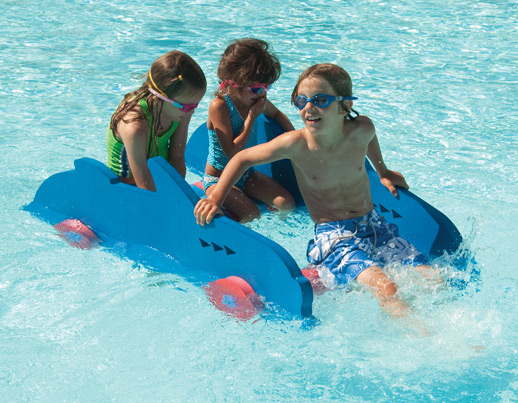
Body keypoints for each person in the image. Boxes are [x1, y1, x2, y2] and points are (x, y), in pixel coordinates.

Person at [194, 63, 431, 318]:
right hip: (334, 236)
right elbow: (242, 159)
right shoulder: (297, 143)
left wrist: (383, 172)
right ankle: (423, 340)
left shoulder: (361, 128)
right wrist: (217, 196)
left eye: (320, 100)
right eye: (301, 101)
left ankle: (328, 277)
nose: (309, 108)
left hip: (373, 225)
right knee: (387, 287)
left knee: (431, 277)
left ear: (345, 106)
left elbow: (370, 138)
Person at [203, 38, 296, 222]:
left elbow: (277, 114)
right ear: (233, 83)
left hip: (247, 175)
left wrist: (295, 138)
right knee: (252, 214)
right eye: (255, 88)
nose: (262, 93)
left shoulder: (255, 100)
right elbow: (232, 153)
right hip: (218, 179)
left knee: (287, 204)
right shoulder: (219, 106)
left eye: (266, 87)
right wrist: (251, 118)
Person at [107, 50, 206, 191]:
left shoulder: (180, 110)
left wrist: (177, 192)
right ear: (159, 97)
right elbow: (144, 185)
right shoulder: (134, 125)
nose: (192, 111)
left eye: (196, 105)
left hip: (157, 178)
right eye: (188, 106)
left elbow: (177, 157)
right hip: (126, 187)